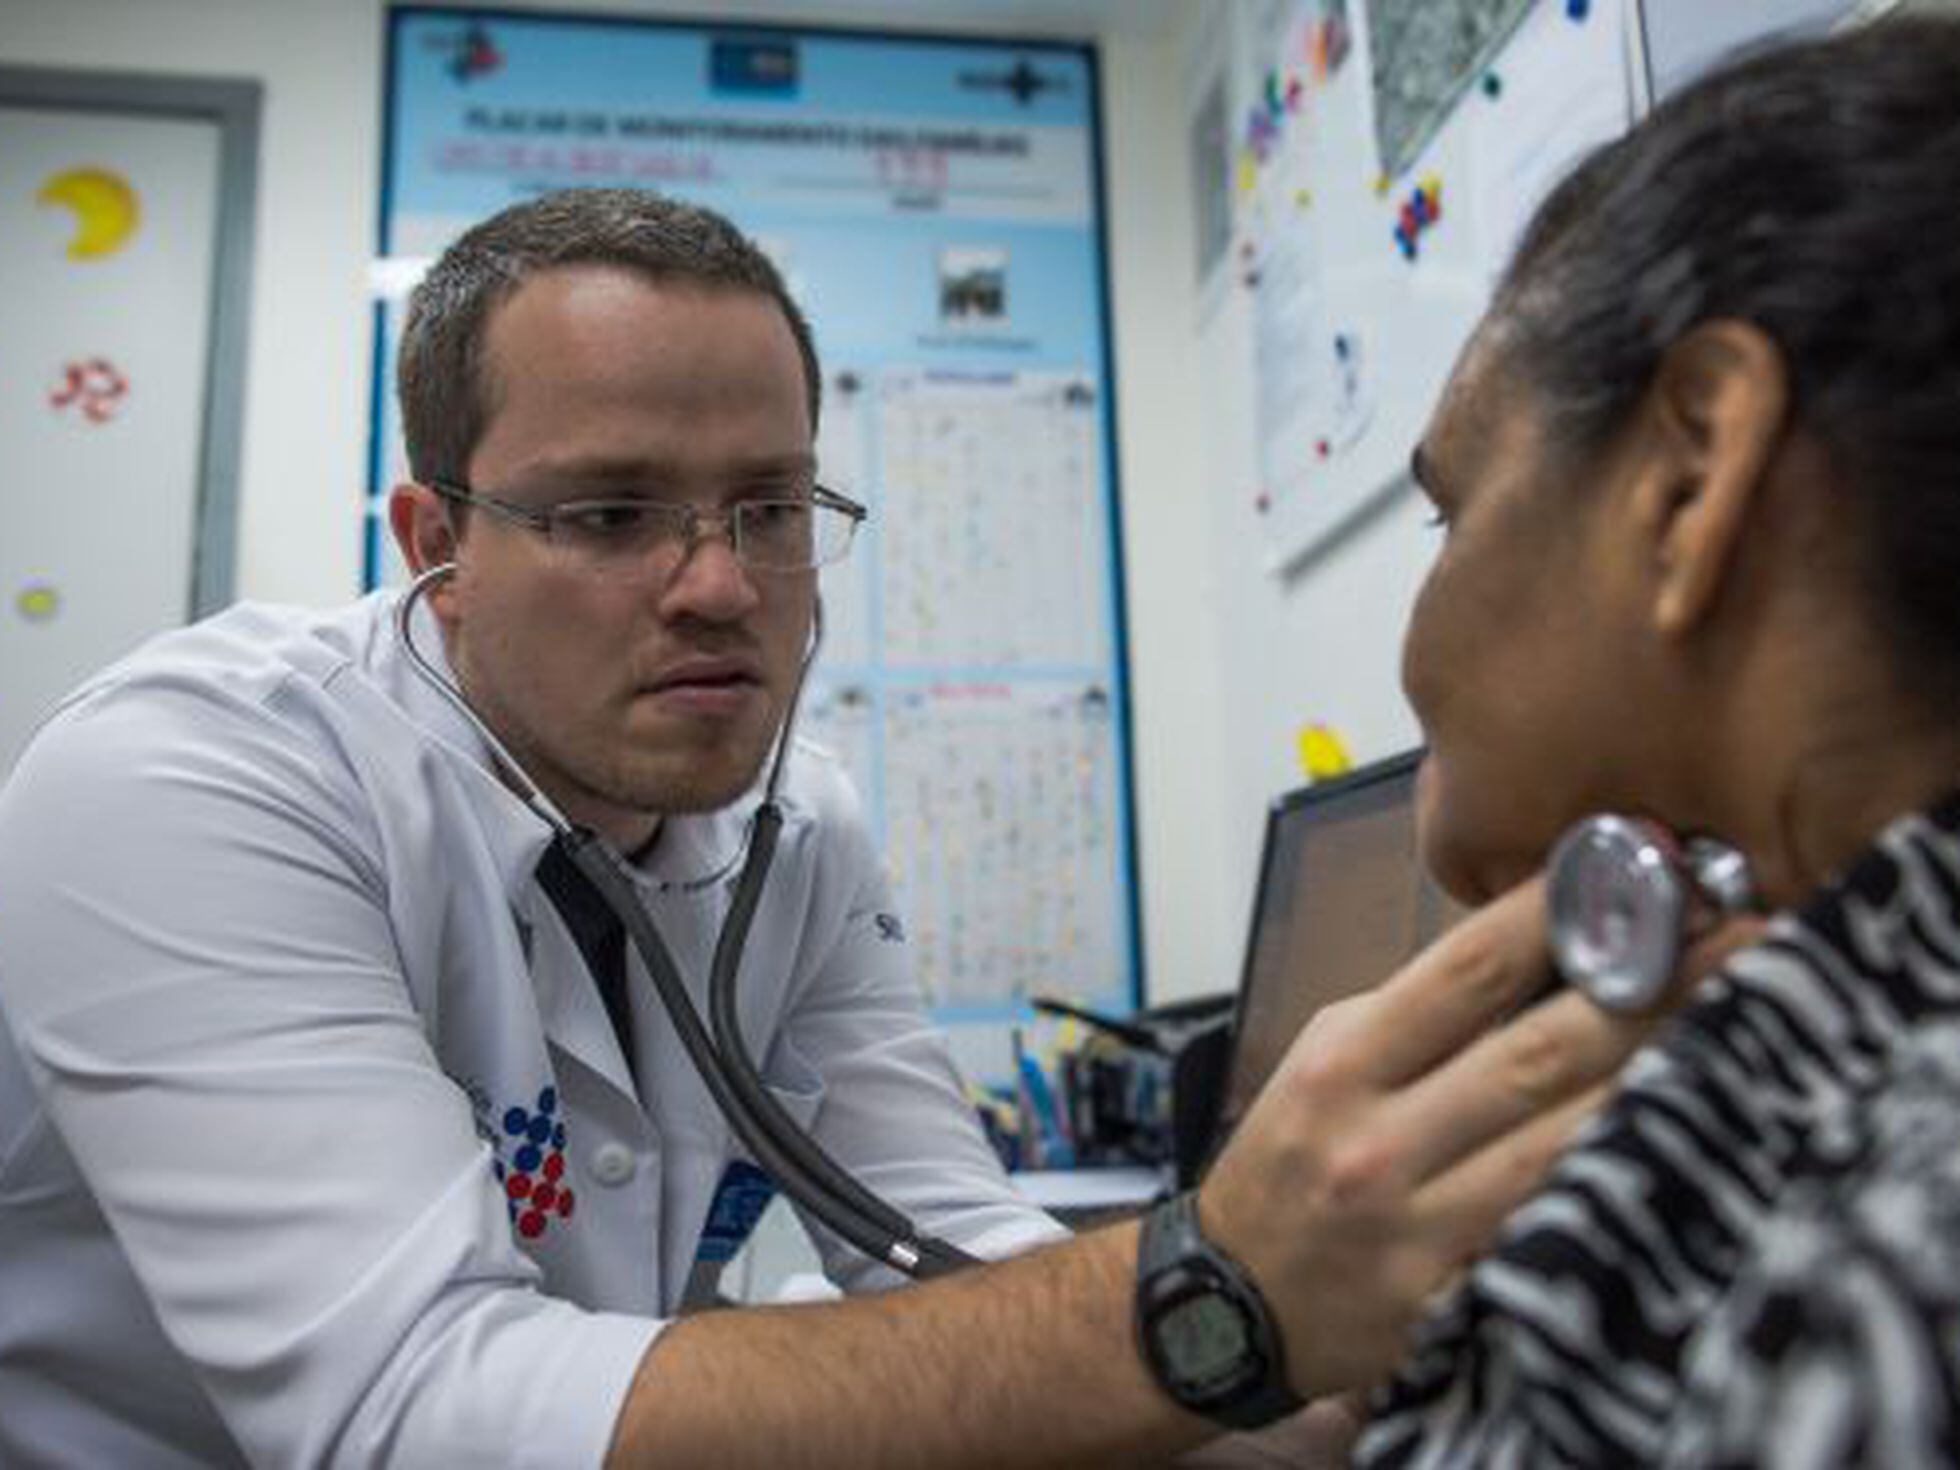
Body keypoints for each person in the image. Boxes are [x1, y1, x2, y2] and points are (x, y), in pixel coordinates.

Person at [0, 188, 1690, 1468]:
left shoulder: (791, 824)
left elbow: (942, 1248)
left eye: (774, 507)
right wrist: (1212, 1294)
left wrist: (1307, 1393)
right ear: (438, 539)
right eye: (611, 513)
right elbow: (418, 1410)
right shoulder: (190, 781)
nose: (723, 585)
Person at [1346, 18, 1960, 1466]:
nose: (1417, 638)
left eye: (1451, 511)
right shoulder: (1775, 1085)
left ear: (1691, 478)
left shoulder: (1886, 1258)